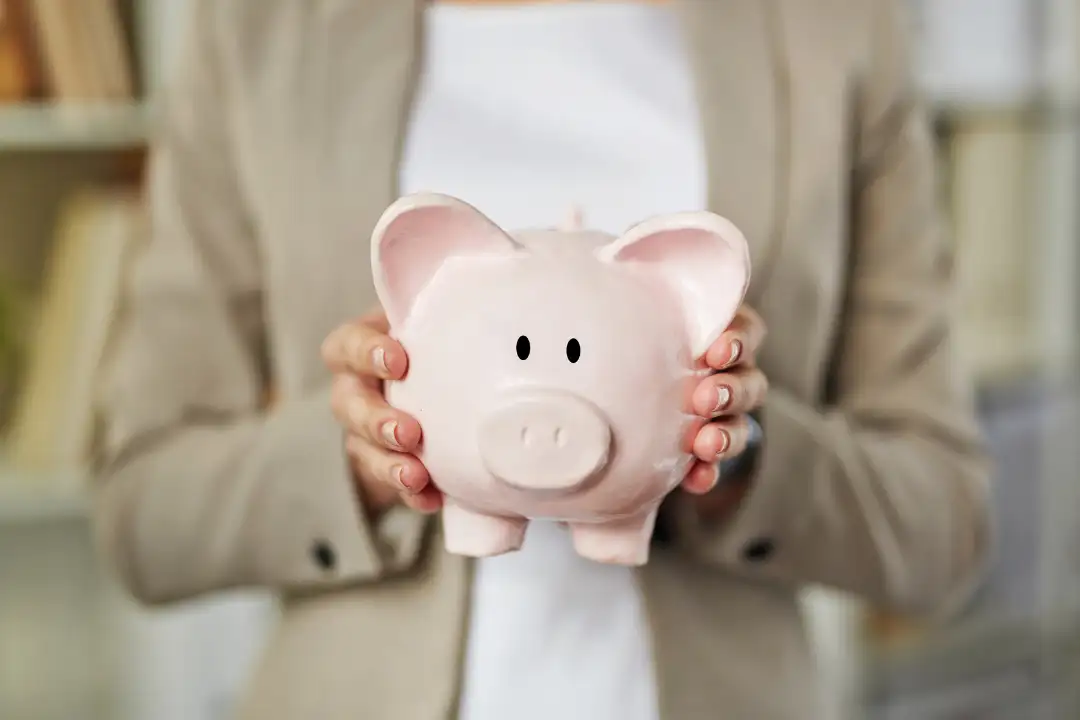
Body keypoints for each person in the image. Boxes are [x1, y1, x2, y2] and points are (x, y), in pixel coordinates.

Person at [89, 0, 992, 718]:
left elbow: (946, 531)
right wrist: (363, 458)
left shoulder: (830, 26)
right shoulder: (259, 28)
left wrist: (738, 450)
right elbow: (141, 516)